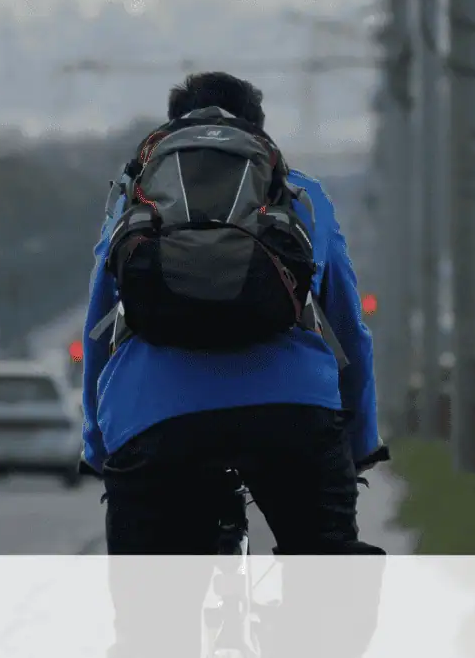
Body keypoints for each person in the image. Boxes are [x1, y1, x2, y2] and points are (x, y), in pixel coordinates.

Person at [79, 72, 388, 658]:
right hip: (292, 414)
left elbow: (98, 329)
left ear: (173, 131)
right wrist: (358, 441)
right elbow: (349, 331)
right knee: (328, 581)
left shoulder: (135, 199)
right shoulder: (300, 194)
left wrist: (99, 444)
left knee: (150, 626)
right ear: (257, 135)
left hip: (154, 418)